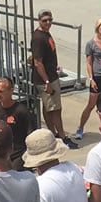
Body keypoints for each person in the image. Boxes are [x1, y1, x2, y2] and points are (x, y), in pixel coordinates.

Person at [30, 10, 68, 145]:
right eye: (44, 20)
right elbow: (37, 62)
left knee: (49, 108)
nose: (48, 23)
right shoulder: (39, 38)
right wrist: (47, 81)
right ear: (39, 20)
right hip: (47, 80)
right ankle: (62, 137)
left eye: (50, 20)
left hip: (51, 75)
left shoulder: (45, 34)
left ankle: (53, 134)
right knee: (55, 109)